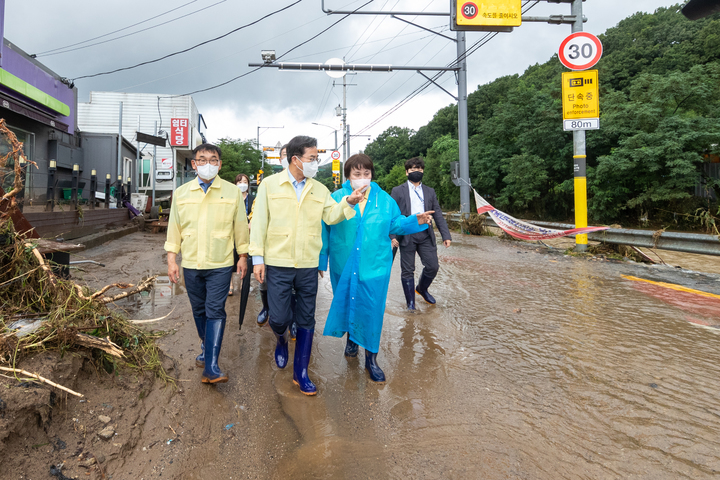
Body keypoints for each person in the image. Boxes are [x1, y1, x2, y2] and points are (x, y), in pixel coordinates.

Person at [249, 135, 364, 395]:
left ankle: (301, 372)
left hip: (308, 263)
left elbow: (332, 216)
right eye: (312, 158)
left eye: (316, 158)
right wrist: (258, 258)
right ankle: (280, 337)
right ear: (295, 159)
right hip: (278, 262)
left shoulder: (319, 189)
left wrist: (348, 202)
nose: (316, 163)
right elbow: (259, 223)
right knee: (278, 318)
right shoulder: (269, 185)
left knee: (306, 317)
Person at [320, 154, 434, 382]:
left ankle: (371, 358)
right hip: (344, 263)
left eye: (366, 174)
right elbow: (325, 227)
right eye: (357, 174)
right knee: (349, 301)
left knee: (372, 309)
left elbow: (396, 224)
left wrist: (416, 220)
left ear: (372, 175)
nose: (362, 178)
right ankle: (352, 340)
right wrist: (322, 261)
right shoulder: (336, 197)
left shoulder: (384, 200)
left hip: (375, 265)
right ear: (348, 176)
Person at [165, 143, 248, 384]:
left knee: (215, 310)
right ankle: (206, 344)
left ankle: (211, 365)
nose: (208, 164)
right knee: (198, 310)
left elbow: (240, 226)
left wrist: (242, 256)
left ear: (220, 164)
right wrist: (172, 259)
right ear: (194, 164)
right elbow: (174, 229)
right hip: (191, 263)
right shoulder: (181, 193)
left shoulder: (232, 192)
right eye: (202, 160)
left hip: (220, 263)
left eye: (213, 160)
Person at [390, 157, 452, 310]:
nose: (416, 172)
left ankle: (422, 288)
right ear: (406, 172)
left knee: (433, 266)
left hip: (425, 234)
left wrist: (446, 235)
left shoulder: (430, 191)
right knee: (407, 270)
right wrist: (392, 236)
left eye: (419, 170)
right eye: (412, 170)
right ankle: (411, 303)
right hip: (406, 234)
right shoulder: (398, 191)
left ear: (423, 171)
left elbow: (437, 213)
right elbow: (391, 215)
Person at [230, 173, 253, 297]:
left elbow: (256, 214)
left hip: (248, 235)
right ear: (235, 184)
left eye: (244, 181)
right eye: (239, 182)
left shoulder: (253, 199)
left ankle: (245, 283)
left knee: (245, 260)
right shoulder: (231, 198)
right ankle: (230, 285)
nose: (242, 184)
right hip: (233, 235)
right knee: (231, 259)